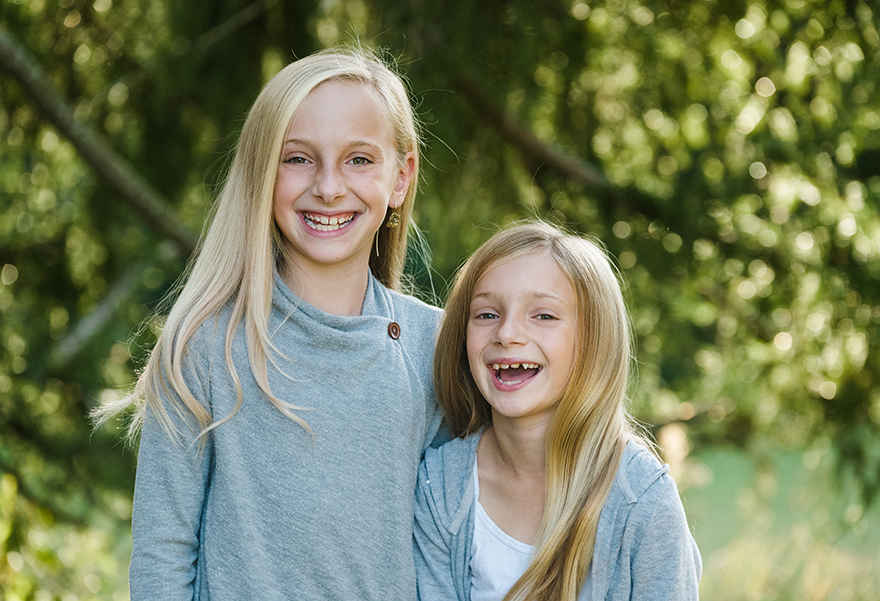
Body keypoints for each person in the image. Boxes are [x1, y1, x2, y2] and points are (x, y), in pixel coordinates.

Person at [93, 47, 446, 600]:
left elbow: (461, 543)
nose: (328, 186)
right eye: (297, 158)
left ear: (401, 178)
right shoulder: (204, 344)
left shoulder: (436, 348)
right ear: (262, 171)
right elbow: (162, 557)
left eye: (358, 160)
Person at [414, 222, 702, 601]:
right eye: (486, 314)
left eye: (544, 316)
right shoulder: (440, 484)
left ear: (593, 340)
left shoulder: (642, 500)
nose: (507, 334)